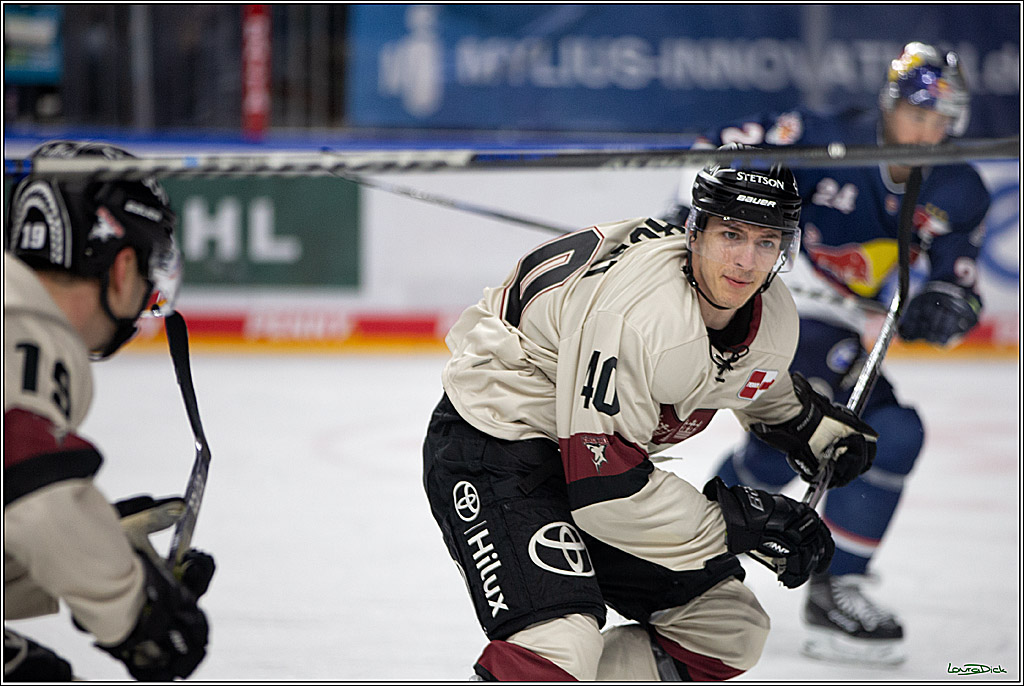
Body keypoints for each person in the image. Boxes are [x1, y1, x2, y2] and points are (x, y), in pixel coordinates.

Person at [422, 149, 880, 681]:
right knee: (560, 642)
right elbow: (606, 491)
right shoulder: (644, 318)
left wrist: (811, 428)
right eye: (731, 235)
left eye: (766, 241)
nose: (746, 262)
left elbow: (751, 379)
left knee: (727, 629)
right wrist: (741, 523)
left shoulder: (772, 313)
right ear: (694, 232)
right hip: (498, 441)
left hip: (586, 456)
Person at [663, 42, 990, 666]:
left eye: (941, 120)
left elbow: (959, 282)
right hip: (776, 303)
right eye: (917, 115)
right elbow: (717, 149)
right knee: (834, 427)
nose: (928, 133)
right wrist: (692, 211)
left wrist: (947, 305)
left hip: (839, 324)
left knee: (865, 436)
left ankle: (775, 576)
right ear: (888, 107)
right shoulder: (823, 138)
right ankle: (698, 563)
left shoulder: (958, 186)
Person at [4, 141, 215, 681]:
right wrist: (137, 608)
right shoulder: (27, 327)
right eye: (149, 273)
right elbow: (33, 493)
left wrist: (99, 541)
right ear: (122, 269)